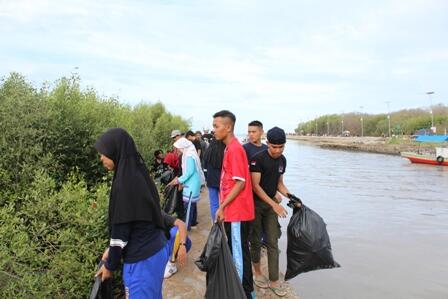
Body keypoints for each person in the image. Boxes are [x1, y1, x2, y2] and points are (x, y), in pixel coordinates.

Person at [94, 128, 168, 299]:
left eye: (103, 153)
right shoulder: (137, 173)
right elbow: (139, 218)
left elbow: (121, 229)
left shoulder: (125, 184)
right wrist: (111, 249)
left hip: (142, 259)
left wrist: (110, 265)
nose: (101, 158)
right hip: (154, 249)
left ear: (114, 151)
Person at [213, 110, 255, 299]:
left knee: (238, 253)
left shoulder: (236, 149)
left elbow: (240, 183)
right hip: (233, 211)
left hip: (237, 213)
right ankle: (245, 289)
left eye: (216, 126)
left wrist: (222, 207)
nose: (214, 130)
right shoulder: (229, 148)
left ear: (228, 127)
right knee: (238, 251)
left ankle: (241, 293)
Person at [249, 127, 291, 297]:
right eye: (274, 146)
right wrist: (274, 205)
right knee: (255, 239)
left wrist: (291, 197)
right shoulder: (257, 159)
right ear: (267, 143)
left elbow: (279, 183)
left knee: (273, 241)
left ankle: (274, 279)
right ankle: (257, 271)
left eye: (281, 147)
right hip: (256, 204)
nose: (277, 150)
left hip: (272, 205)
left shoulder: (283, 161)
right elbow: (255, 186)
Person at [167, 137, 205, 230]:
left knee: (188, 208)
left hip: (191, 185)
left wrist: (179, 180)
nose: (178, 150)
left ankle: (185, 228)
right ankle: (192, 223)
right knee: (192, 205)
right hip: (192, 183)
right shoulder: (189, 154)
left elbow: (189, 172)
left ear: (183, 147)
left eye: (179, 148)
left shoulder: (189, 156)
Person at [162, 211, 192, 279]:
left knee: (175, 232)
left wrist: (182, 245)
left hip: (178, 242)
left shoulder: (157, 213)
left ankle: (172, 266)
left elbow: (182, 224)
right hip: (163, 243)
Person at [202, 137, 226, 222]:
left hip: (211, 181)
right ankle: (225, 222)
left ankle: (215, 222)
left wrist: (206, 179)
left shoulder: (208, 154)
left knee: (214, 204)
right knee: (224, 203)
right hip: (223, 182)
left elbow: (205, 169)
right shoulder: (224, 153)